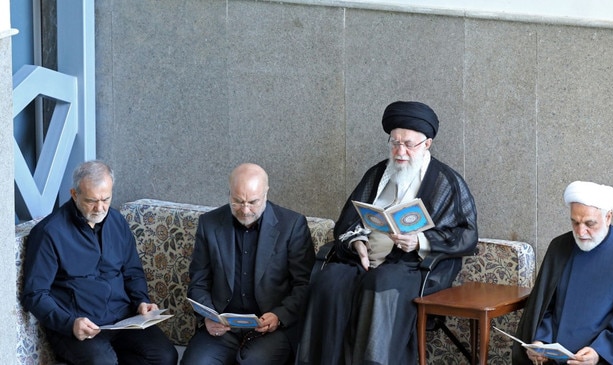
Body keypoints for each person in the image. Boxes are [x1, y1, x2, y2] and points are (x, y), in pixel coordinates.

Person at [297, 100, 479, 365]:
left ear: (426, 144)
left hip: (413, 266)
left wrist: (419, 241)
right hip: (364, 260)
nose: (400, 151)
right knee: (329, 281)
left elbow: (467, 235)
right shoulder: (377, 173)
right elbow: (347, 221)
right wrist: (357, 242)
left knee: (380, 285)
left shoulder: (445, 181)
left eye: (408, 144)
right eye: (395, 143)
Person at [21, 160, 178, 365]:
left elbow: (132, 271)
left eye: (106, 199)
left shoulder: (117, 221)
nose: (100, 208)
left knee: (165, 356)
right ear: (74, 194)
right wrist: (70, 324)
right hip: (77, 326)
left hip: (122, 321)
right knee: (103, 362)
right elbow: (35, 294)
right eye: (91, 200)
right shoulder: (49, 233)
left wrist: (141, 301)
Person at [180, 163, 316, 365]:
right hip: (222, 329)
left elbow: (305, 285)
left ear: (266, 194)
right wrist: (207, 317)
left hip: (271, 329)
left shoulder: (292, 225)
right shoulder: (209, 223)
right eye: (237, 201)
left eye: (253, 202)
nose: (245, 210)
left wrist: (279, 316)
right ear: (229, 194)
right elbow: (198, 282)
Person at [513, 181, 613, 365]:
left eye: (589, 223)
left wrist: (599, 352)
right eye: (575, 222)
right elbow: (544, 306)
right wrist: (540, 342)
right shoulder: (559, 247)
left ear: (608, 217)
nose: (580, 231)